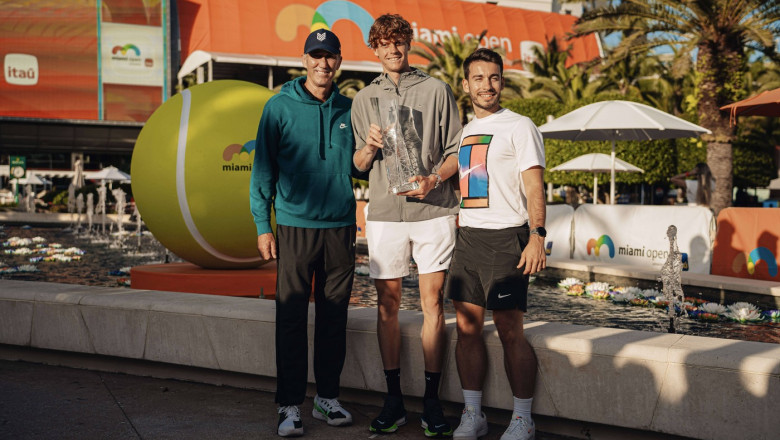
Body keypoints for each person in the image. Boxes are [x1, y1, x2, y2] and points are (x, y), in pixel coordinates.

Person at [351, 13, 462, 438]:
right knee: (387, 306)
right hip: (385, 213)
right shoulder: (364, 100)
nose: (393, 49)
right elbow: (359, 166)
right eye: (385, 43)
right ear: (375, 50)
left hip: (433, 210)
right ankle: (393, 398)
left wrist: (435, 178)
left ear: (408, 43)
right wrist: (368, 147)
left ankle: (431, 401)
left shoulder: (437, 90)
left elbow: (455, 151)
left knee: (434, 305)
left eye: (399, 41)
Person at [249, 29, 357, 438]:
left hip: (341, 227)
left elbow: (361, 164)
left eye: (329, 57)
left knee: (334, 318)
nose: (322, 63)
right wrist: (263, 225)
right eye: (316, 56)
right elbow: (263, 171)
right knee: (291, 319)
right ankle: (289, 406)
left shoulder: (351, 108)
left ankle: (327, 399)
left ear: (339, 61)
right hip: (294, 225)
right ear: (304, 59)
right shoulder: (278, 108)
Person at [445, 48, 546, 440]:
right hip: (468, 238)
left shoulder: (521, 126)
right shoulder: (467, 130)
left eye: (494, 78)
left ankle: (523, 419)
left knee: (509, 330)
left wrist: (537, 236)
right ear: (466, 84)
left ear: (502, 81)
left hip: (509, 238)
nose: (487, 85)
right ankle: (474, 414)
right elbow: (462, 177)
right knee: (467, 330)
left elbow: (534, 187)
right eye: (479, 78)